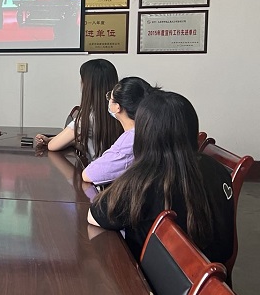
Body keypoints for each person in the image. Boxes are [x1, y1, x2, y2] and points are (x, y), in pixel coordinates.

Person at [88, 91, 234, 263]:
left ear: (144, 134)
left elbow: (95, 216)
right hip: (212, 273)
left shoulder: (144, 180)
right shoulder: (218, 169)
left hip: (151, 277)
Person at [35, 58, 122, 162]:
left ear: (88, 85)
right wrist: (74, 142)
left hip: (96, 170)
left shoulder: (88, 117)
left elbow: (52, 146)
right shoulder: (123, 111)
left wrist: (52, 141)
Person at [82, 76, 155, 186]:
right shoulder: (152, 128)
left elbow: (89, 174)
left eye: (110, 98)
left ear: (117, 107)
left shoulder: (130, 140)